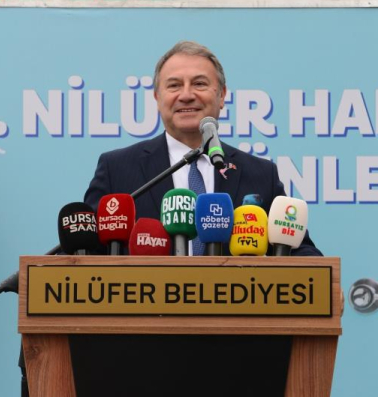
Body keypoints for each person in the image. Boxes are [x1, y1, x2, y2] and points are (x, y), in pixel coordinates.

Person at [84, 40, 322, 256]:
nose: (186, 95)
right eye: (174, 85)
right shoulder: (117, 169)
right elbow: (84, 250)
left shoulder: (260, 174)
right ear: (157, 97)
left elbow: (300, 252)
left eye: (199, 83)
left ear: (222, 95)